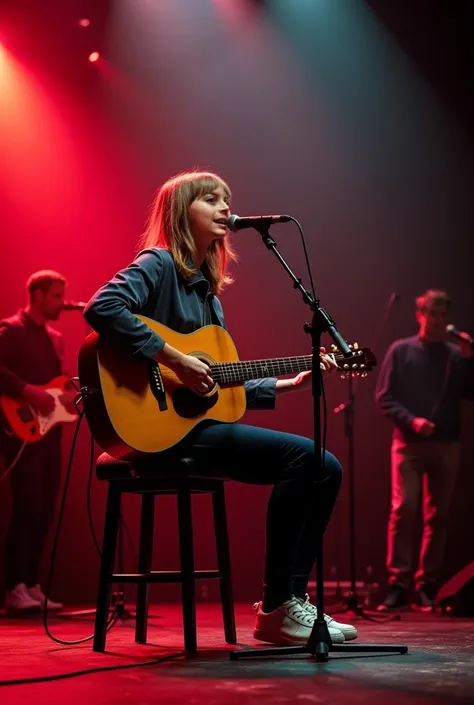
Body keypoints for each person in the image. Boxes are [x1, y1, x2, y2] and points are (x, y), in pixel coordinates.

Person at [83, 169, 357, 645]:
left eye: (227, 199)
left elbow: (218, 390)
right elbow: (102, 307)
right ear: (179, 211)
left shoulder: (209, 296)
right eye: (210, 199)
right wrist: (172, 357)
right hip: (155, 432)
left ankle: (288, 603)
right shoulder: (159, 264)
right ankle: (278, 605)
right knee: (309, 460)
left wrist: (289, 384)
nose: (225, 207)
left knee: (323, 467)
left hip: (190, 429)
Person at [375, 289, 474, 611]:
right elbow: (384, 397)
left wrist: (469, 360)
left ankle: (427, 586)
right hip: (408, 445)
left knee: (439, 516)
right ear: (420, 314)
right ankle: (397, 586)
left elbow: (470, 393)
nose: (438, 320)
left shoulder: (455, 354)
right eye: (432, 314)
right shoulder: (401, 350)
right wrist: (412, 421)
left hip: (446, 444)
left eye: (443, 315)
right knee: (403, 509)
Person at [0, 270, 66, 613]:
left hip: (48, 433)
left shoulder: (52, 337)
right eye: (56, 295)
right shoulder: (11, 329)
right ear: (38, 295)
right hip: (20, 432)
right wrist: (28, 391)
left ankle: (32, 583)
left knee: (44, 511)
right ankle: (14, 587)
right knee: (26, 508)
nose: (62, 302)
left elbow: (56, 385)